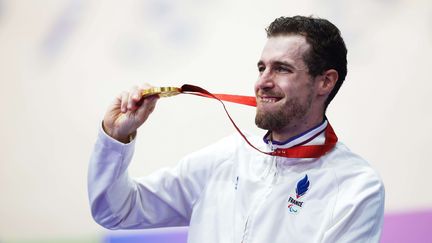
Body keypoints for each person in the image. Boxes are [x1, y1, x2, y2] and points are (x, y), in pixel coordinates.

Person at [88, 15, 385, 243]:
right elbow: (117, 211)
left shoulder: (356, 187)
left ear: (325, 82)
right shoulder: (226, 158)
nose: (262, 82)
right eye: (261, 68)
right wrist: (116, 138)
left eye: (281, 68)